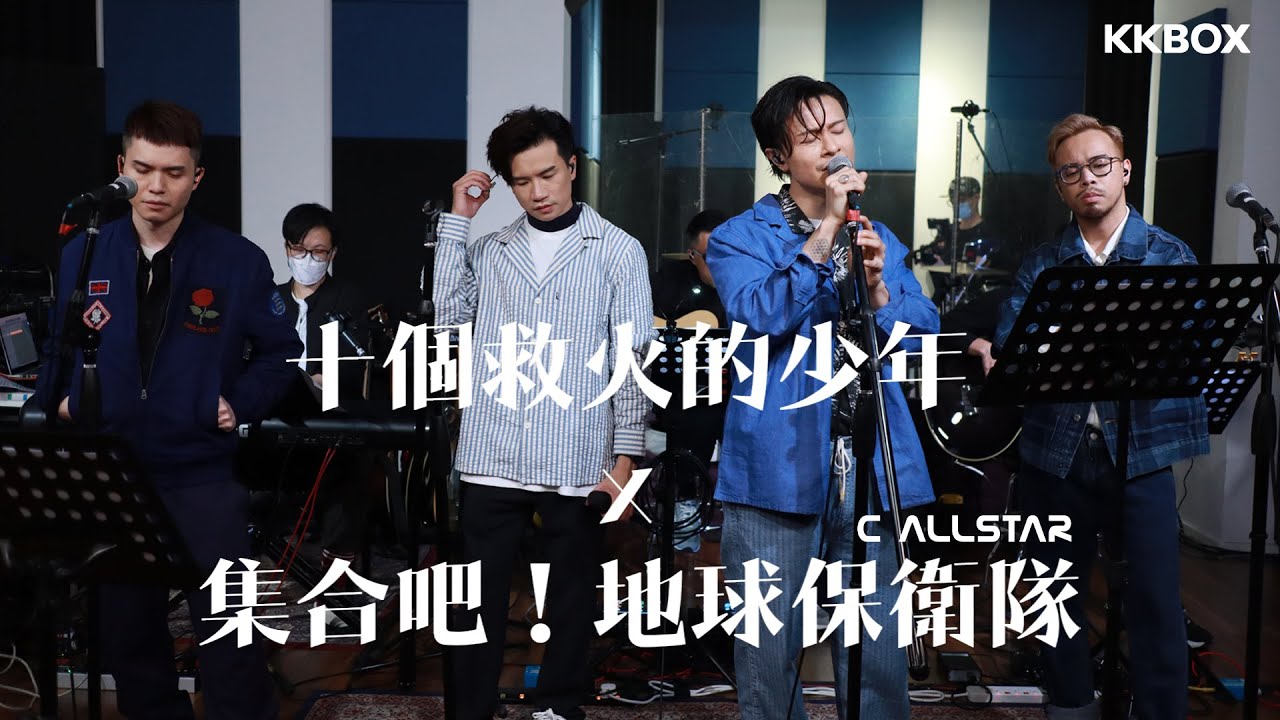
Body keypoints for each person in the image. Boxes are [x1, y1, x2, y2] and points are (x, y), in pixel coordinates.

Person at [38, 100, 300, 719]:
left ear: (197, 177)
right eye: (144, 169)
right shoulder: (85, 252)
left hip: (201, 472)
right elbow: (58, 347)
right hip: (115, 474)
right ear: (121, 167)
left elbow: (282, 354)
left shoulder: (236, 260)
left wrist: (238, 403)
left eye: (174, 172)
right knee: (128, 637)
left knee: (232, 634)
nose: (156, 186)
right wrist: (59, 401)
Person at [706, 75, 938, 720]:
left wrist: (881, 293)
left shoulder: (878, 235)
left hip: (870, 459)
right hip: (776, 464)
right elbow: (759, 314)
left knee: (878, 651)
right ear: (778, 156)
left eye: (838, 129)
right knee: (768, 649)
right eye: (811, 137)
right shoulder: (739, 237)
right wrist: (828, 227)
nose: (833, 146)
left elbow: (923, 333)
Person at [434, 106, 651, 720]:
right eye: (522, 181)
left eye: (549, 175)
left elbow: (631, 355)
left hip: (576, 451)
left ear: (573, 167)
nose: (538, 192)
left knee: (572, 596)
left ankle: (559, 705)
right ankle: (470, 710)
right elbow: (447, 319)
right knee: (476, 598)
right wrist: (458, 220)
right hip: (493, 450)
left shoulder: (618, 251)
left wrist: (625, 455)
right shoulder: (491, 250)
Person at [994, 113, 1208, 719]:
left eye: (1099, 165)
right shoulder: (1044, 263)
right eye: (1071, 172)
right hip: (1055, 453)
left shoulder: (1169, 256)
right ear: (1060, 186)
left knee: (1156, 600)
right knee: (1051, 595)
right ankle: (1071, 706)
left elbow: (1194, 350)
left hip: (1141, 455)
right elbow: (1012, 345)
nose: (1087, 179)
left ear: (1125, 170)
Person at [275, 202, 373, 578]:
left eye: (318, 252)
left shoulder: (348, 299)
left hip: (328, 414)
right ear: (287, 248)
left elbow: (352, 367)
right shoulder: (270, 300)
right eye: (299, 250)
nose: (307, 259)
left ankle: (337, 565)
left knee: (350, 457)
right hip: (275, 414)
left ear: (332, 254)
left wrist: (317, 381)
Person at [652, 209, 729, 328]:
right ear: (692, 256)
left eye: (726, 254)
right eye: (709, 257)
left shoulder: (749, 284)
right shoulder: (670, 279)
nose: (719, 264)